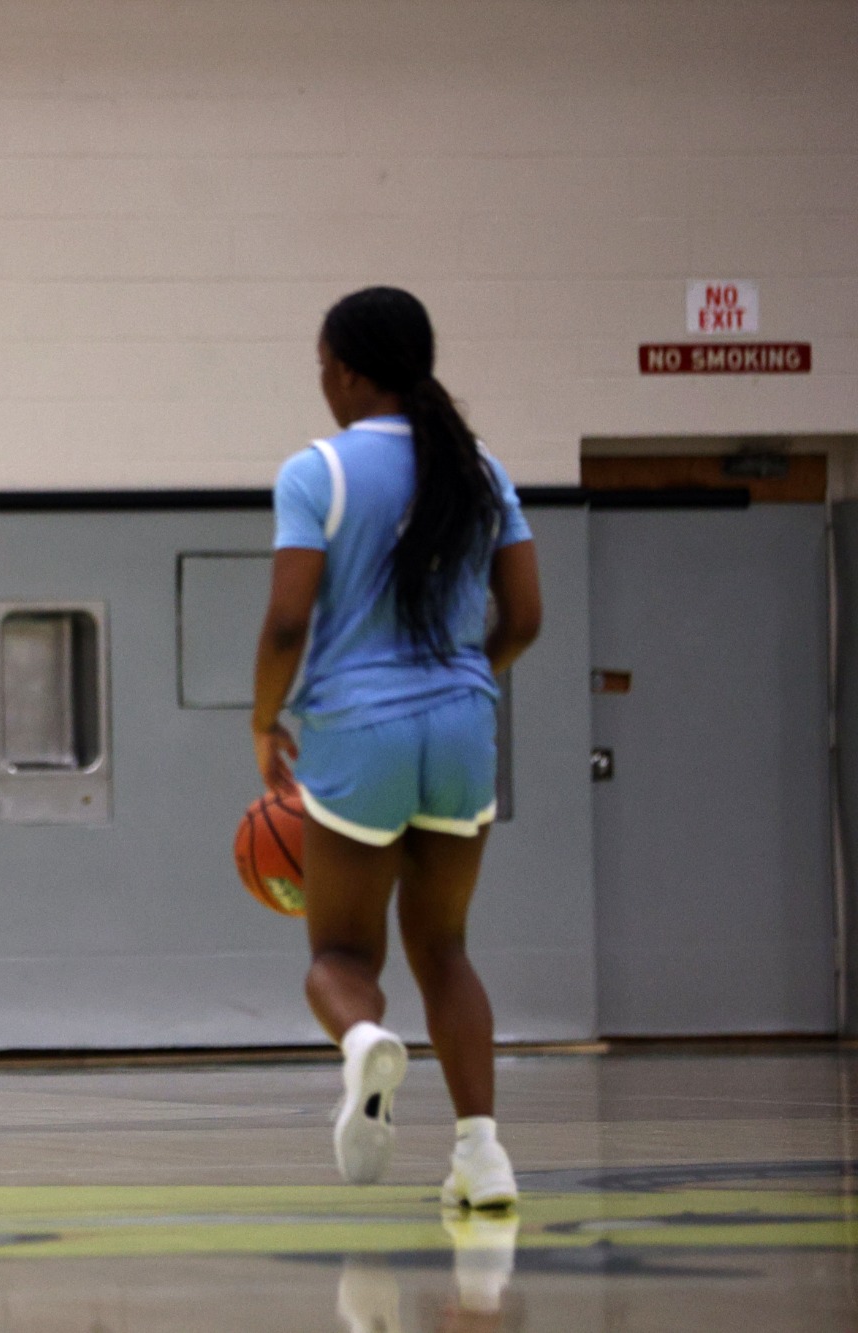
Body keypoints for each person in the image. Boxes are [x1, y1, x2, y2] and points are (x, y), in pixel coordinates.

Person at [251, 287, 542, 1208]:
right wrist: (464, 677)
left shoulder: (318, 472)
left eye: (323, 366)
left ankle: (365, 1043)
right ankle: (483, 1155)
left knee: (341, 956)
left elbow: (289, 621)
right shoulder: (481, 467)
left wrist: (266, 721)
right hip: (461, 726)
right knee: (447, 949)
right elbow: (526, 616)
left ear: (346, 369)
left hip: (357, 731)